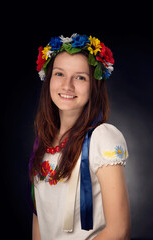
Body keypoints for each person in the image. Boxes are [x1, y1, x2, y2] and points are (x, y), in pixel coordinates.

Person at [29, 34, 131, 240]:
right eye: (59, 74)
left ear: (94, 85)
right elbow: (40, 216)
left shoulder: (102, 137)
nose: (67, 85)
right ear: (48, 78)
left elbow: (119, 231)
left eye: (80, 77)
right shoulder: (44, 140)